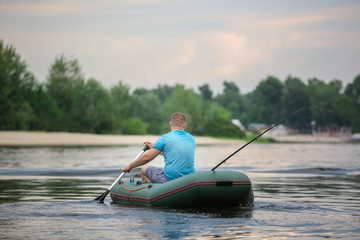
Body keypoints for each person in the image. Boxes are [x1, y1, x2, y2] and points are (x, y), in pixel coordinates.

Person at [122, 112, 195, 183]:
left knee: (144, 170)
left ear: (170, 124)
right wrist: (154, 147)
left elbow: (146, 158)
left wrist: (130, 166)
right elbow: (173, 154)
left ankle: (152, 192)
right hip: (188, 179)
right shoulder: (191, 138)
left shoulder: (165, 138)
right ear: (184, 124)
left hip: (171, 179)